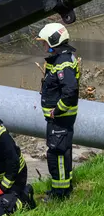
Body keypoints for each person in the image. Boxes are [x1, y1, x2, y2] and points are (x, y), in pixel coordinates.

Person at [36, 23, 79, 200]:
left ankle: (60, 194)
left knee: (57, 154)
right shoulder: (62, 59)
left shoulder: (64, 63)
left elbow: (70, 91)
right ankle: (64, 187)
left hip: (60, 119)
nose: (43, 46)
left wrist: (57, 111)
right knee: (62, 152)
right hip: (60, 119)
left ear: (54, 41)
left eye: (45, 42)